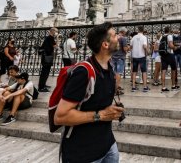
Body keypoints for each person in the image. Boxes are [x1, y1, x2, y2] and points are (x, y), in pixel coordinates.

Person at [54, 22, 124, 163]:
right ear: (105, 44)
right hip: (82, 152)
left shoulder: (109, 68)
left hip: (108, 144)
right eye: (115, 35)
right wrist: (101, 115)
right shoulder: (83, 72)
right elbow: (60, 117)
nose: (119, 37)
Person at [130, 25, 150, 92]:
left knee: (134, 71)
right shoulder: (144, 37)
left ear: (138, 30)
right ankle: (145, 87)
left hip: (135, 56)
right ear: (143, 30)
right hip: (141, 56)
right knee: (144, 71)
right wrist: (148, 51)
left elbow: (131, 46)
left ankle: (133, 87)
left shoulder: (134, 37)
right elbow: (144, 46)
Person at [39, 27, 58, 92]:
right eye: (56, 31)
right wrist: (57, 39)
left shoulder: (49, 38)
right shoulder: (50, 38)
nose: (57, 33)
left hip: (46, 56)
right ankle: (41, 87)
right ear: (52, 31)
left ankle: (43, 85)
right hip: (47, 57)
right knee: (45, 72)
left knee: (46, 72)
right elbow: (55, 46)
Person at [111, 27, 129, 95]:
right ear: (123, 32)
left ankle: (113, 87)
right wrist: (128, 48)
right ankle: (116, 90)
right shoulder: (123, 38)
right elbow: (124, 49)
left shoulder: (115, 37)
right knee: (119, 73)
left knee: (114, 73)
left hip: (113, 57)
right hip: (120, 58)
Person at [160, 26, 178, 92]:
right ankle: (173, 85)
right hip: (170, 54)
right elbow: (170, 45)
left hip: (163, 55)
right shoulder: (169, 36)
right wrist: (174, 47)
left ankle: (163, 87)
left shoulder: (162, 37)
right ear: (169, 30)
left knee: (163, 70)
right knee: (173, 69)